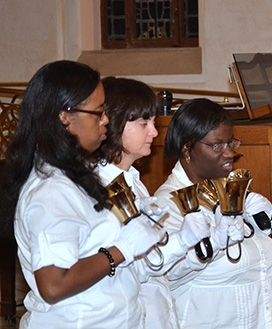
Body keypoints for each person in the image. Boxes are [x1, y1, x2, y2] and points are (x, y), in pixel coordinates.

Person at [0, 60, 164, 328]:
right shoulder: (51, 189)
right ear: (65, 116)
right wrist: (121, 249)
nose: (106, 120)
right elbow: (53, 284)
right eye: (98, 113)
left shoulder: (75, 175)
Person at [93, 77, 211, 329]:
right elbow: (128, 268)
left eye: (154, 122)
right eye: (143, 123)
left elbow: (152, 261)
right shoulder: (97, 187)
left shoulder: (134, 181)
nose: (155, 132)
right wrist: (181, 242)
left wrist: (188, 243)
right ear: (112, 123)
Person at [153, 98, 272, 328]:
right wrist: (211, 244)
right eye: (217, 146)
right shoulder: (168, 204)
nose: (230, 153)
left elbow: (266, 257)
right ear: (187, 148)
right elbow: (166, 273)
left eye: (231, 142)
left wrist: (267, 228)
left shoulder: (230, 189)